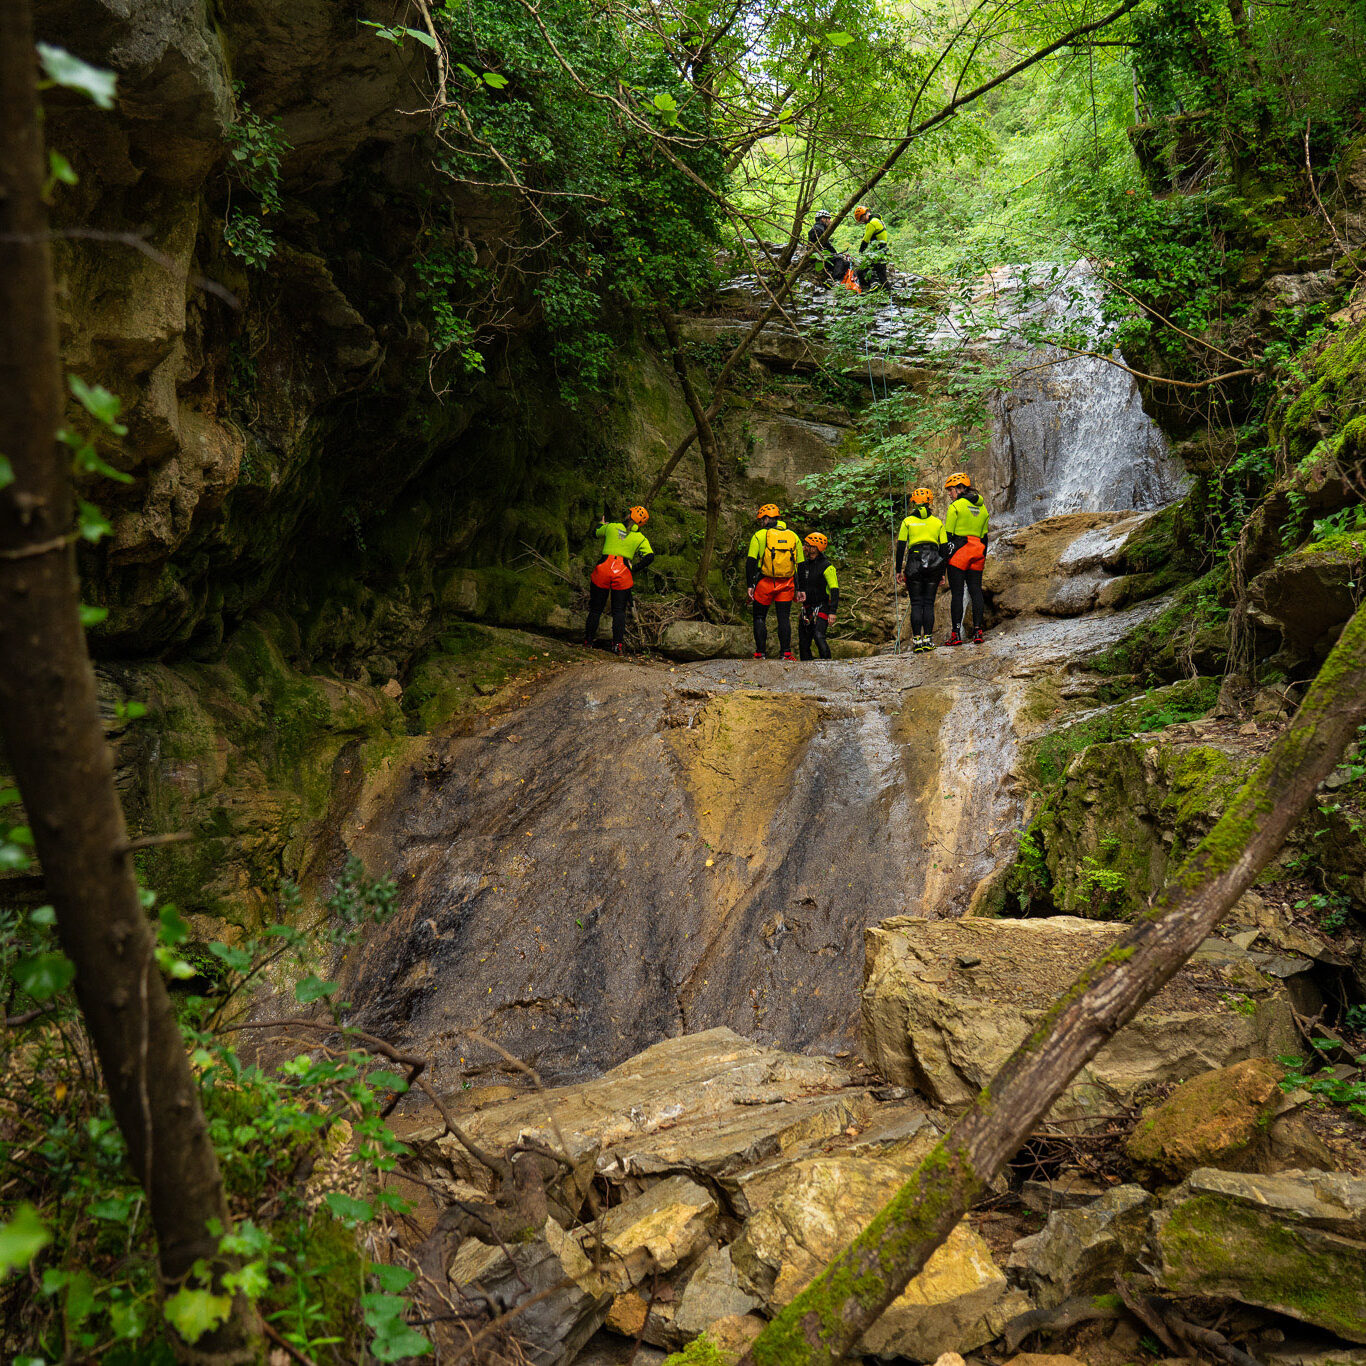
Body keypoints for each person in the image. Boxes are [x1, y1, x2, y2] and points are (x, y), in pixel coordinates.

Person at [584, 506, 654, 656]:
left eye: (629, 513)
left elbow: (595, 533)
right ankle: (617, 646)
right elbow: (649, 557)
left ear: (630, 516)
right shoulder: (640, 538)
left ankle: (588, 641)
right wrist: (634, 567)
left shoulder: (612, 527)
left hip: (603, 570)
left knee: (596, 609)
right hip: (622, 573)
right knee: (619, 611)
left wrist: (602, 524)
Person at [746, 504, 804, 660]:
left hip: (765, 582)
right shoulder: (793, 536)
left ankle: (760, 653)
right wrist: (800, 588)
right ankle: (785, 653)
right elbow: (801, 564)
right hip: (787, 583)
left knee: (759, 617)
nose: (760, 523)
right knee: (783, 617)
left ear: (766, 519)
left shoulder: (759, 536)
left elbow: (751, 562)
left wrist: (750, 585)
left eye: (761, 520)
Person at [895, 488, 947, 652]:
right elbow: (944, 549)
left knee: (916, 603)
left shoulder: (907, 521)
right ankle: (928, 640)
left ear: (913, 504)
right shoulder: (937, 522)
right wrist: (942, 573)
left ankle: (917, 641)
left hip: (914, 562)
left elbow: (901, 547)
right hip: (933, 562)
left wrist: (898, 570)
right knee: (929, 603)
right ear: (930, 503)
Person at [943, 473, 989, 646]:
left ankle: (956, 634)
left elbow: (948, 535)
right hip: (978, 551)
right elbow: (985, 535)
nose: (949, 494)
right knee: (976, 590)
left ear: (960, 488)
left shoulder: (956, 506)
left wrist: (944, 558)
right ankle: (978, 631)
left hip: (960, 552)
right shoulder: (982, 507)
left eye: (951, 490)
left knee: (957, 593)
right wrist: (983, 554)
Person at [796, 532, 839, 660]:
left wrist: (833, 612)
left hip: (822, 607)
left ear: (815, 548)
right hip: (807, 607)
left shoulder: (827, 567)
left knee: (819, 636)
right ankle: (807, 669)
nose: (804, 548)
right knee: (803, 642)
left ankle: (827, 664)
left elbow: (834, 590)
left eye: (807, 545)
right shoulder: (803, 565)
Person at [807, 210, 851, 285]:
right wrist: (837, 254)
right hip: (820, 256)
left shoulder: (818, 228)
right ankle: (833, 280)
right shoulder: (819, 229)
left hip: (819, 255)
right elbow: (826, 245)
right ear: (823, 219)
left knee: (839, 259)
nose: (830, 221)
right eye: (829, 219)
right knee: (841, 261)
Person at [854, 206, 890, 292]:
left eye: (862, 219)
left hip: (878, 252)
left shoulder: (871, 223)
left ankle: (874, 284)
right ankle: (887, 294)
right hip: (883, 251)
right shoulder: (878, 220)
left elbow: (865, 241)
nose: (863, 222)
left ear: (865, 215)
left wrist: (860, 252)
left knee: (861, 270)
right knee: (882, 276)